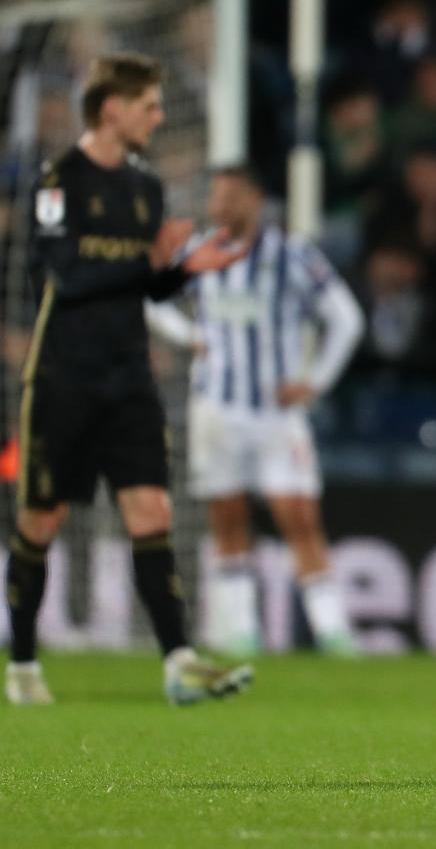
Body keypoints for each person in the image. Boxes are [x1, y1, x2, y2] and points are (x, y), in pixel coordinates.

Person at [7, 53, 253, 706]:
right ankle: (23, 662)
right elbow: (67, 279)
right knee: (41, 519)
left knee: (152, 510)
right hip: (64, 377)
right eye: (148, 104)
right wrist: (148, 260)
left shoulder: (146, 189)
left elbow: (140, 286)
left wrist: (183, 270)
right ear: (111, 109)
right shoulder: (57, 183)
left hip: (128, 377)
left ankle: (179, 660)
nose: (159, 116)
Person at [146, 167, 365, 655]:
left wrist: (315, 382)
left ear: (255, 199)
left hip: (274, 414)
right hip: (216, 411)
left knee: (300, 518)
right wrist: (190, 337)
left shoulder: (290, 253)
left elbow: (346, 319)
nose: (220, 204)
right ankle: (239, 632)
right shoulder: (194, 253)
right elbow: (150, 297)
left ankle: (333, 633)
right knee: (227, 519)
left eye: (231, 195)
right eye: (215, 194)